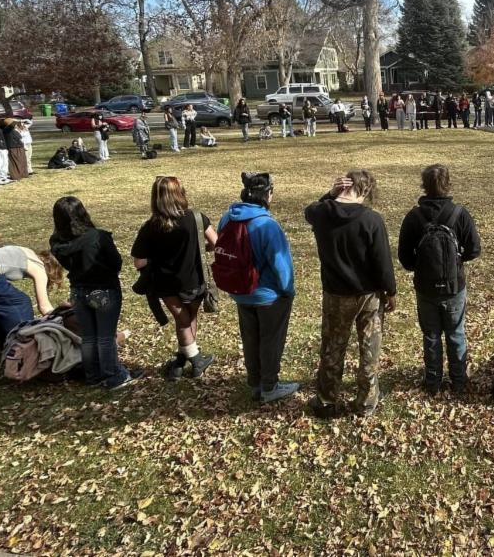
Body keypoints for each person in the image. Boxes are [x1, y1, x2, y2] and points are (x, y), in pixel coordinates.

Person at [305, 171, 397, 417]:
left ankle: (327, 400)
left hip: (336, 294)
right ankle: (365, 402)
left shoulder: (322, 213)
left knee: (333, 348)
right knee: (369, 349)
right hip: (368, 295)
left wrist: (329, 195)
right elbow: (382, 262)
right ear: (365, 191)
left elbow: (309, 211)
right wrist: (391, 291)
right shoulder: (371, 220)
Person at [397, 164, 482, 394]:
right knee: (456, 333)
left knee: (431, 335)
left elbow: (404, 258)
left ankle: (433, 382)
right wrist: (456, 261)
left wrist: (422, 267)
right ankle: (459, 382)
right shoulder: (459, 214)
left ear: (424, 186)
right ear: (448, 184)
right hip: (455, 286)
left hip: (426, 288)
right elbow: (474, 249)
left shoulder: (414, 217)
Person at [219, 172, 298, 403]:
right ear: (268, 195)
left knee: (250, 339)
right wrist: (288, 291)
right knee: (270, 340)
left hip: (240, 291)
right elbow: (281, 265)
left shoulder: (228, 218)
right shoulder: (267, 225)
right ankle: (270, 386)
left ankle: (254, 382)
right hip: (268, 296)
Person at [131, 176, 217, 380]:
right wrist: (200, 249)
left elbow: (139, 263)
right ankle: (196, 360)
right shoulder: (197, 217)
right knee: (188, 318)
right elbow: (216, 243)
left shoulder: (150, 227)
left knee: (182, 319)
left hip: (166, 284)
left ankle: (182, 359)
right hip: (195, 280)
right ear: (180, 193)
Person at [49, 196, 137, 389]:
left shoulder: (57, 243)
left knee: (89, 336)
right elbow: (116, 263)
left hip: (78, 291)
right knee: (105, 336)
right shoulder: (98, 237)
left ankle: (93, 375)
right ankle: (113, 375)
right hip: (103, 290)